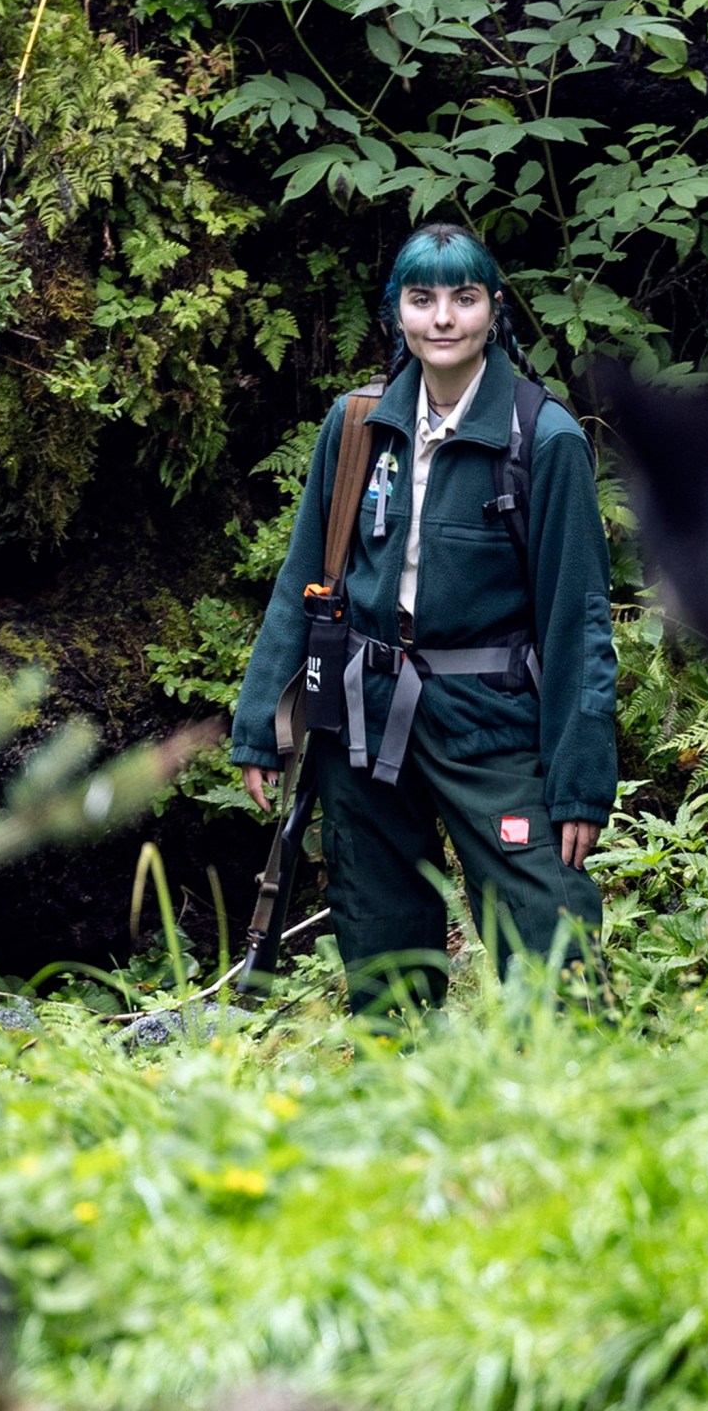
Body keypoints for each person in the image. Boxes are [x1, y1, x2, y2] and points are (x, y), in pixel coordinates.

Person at [231, 224, 617, 1011]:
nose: (443, 318)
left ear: (493, 311)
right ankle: (400, 1095)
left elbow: (579, 622)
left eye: (463, 299)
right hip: (364, 716)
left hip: (491, 719)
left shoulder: (544, 439)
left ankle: (580, 1099)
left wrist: (580, 784)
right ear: (397, 313)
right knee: (379, 939)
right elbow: (304, 578)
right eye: (422, 299)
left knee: (551, 936)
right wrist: (260, 726)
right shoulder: (355, 426)